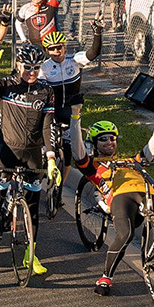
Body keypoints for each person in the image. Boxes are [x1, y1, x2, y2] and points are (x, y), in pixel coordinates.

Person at [71, 100, 154, 307]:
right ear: (94, 144)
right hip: (121, 197)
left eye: (112, 138)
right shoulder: (93, 165)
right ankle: (106, 277)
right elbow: (77, 150)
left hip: (150, 194)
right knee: (125, 234)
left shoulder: (133, 161)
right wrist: (75, 115)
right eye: (103, 139)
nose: (109, 142)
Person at [0, 40, 60, 275]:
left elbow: (47, 126)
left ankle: (30, 254)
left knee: (32, 205)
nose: (31, 72)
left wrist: (50, 157)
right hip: (6, 151)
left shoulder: (46, 91)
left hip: (33, 153)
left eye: (36, 67)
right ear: (18, 65)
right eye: (27, 67)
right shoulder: (6, 84)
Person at [38, 15, 103, 187]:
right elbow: (40, 90)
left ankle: (60, 187)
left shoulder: (74, 60)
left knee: (68, 154)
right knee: (44, 146)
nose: (56, 51)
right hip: (52, 112)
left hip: (71, 112)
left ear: (65, 47)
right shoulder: (43, 68)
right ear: (46, 51)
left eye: (59, 47)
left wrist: (97, 32)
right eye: (51, 49)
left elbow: (93, 53)